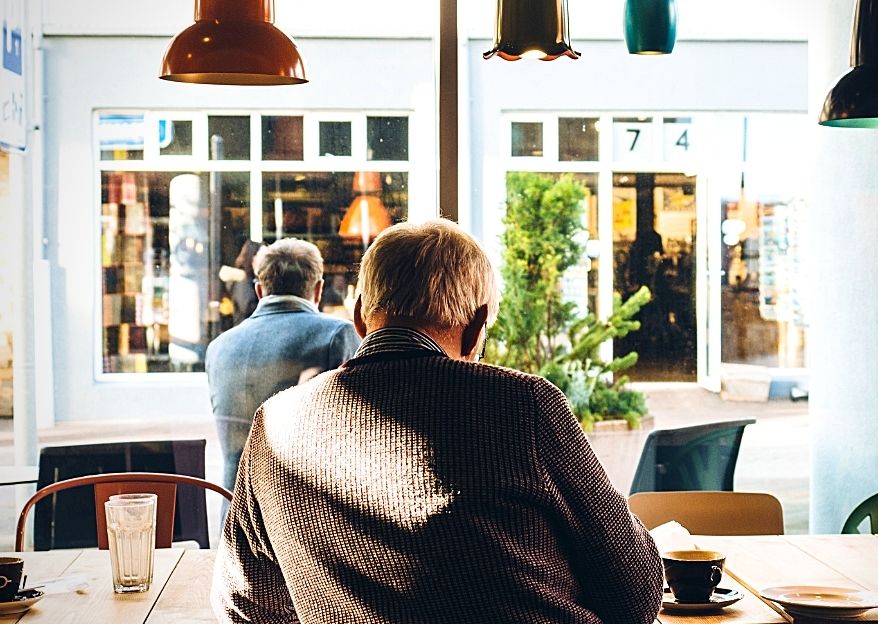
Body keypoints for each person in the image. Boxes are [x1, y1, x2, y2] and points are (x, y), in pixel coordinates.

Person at [212, 219, 664, 624]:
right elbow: (635, 596)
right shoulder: (524, 406)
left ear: (360, 318)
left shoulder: (275, 424)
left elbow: (246, 603)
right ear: (477, 325)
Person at [205, 238, 360, 491]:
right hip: (301, 515)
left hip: (234, 515)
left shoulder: (219, 347)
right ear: (318, 290)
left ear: (259, 291)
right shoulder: (337, 335)